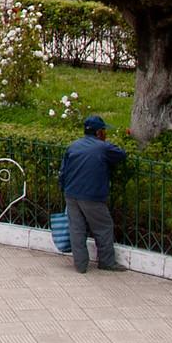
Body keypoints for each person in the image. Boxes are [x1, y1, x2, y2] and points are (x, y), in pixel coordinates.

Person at [60, 116, 128, 273]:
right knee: (103, 227)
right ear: (99, 132)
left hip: (71, 194)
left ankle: (81, 265)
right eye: (104, 130)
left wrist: (65, 189)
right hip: (92, 196)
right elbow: (121, 155)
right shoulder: (103, 148)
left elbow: (63, 172)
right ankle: (107, 262)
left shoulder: (73, 146)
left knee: (76, 229)